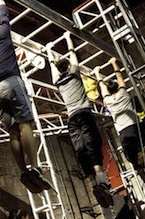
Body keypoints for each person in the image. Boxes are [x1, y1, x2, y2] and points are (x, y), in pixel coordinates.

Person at [0, 0, 51, 193]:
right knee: (25, 124)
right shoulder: (5, 39)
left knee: (13, 132)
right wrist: (0, 0)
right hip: (11, 83)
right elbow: (5, 19)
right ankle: (35, 167)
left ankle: (23, 170)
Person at [46, 33, 113, 208]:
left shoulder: (57, 80)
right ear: (68, 66)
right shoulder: (75, 73)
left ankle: (93, 184)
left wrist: (48, 50)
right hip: (84, 114)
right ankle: (102, 183)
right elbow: (72, 52)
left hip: (72, 119)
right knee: (93, 144)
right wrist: (67, 37)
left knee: (80, 150)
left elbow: (53, 63)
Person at [94, 57, 141, 167]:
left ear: (109, 92)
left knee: (134, 162)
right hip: (135, 127)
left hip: (123, 133)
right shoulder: (123, 93)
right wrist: (113, 63)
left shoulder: (108, 100)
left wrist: (97, 73)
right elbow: (119, 76)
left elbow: (102, 86)